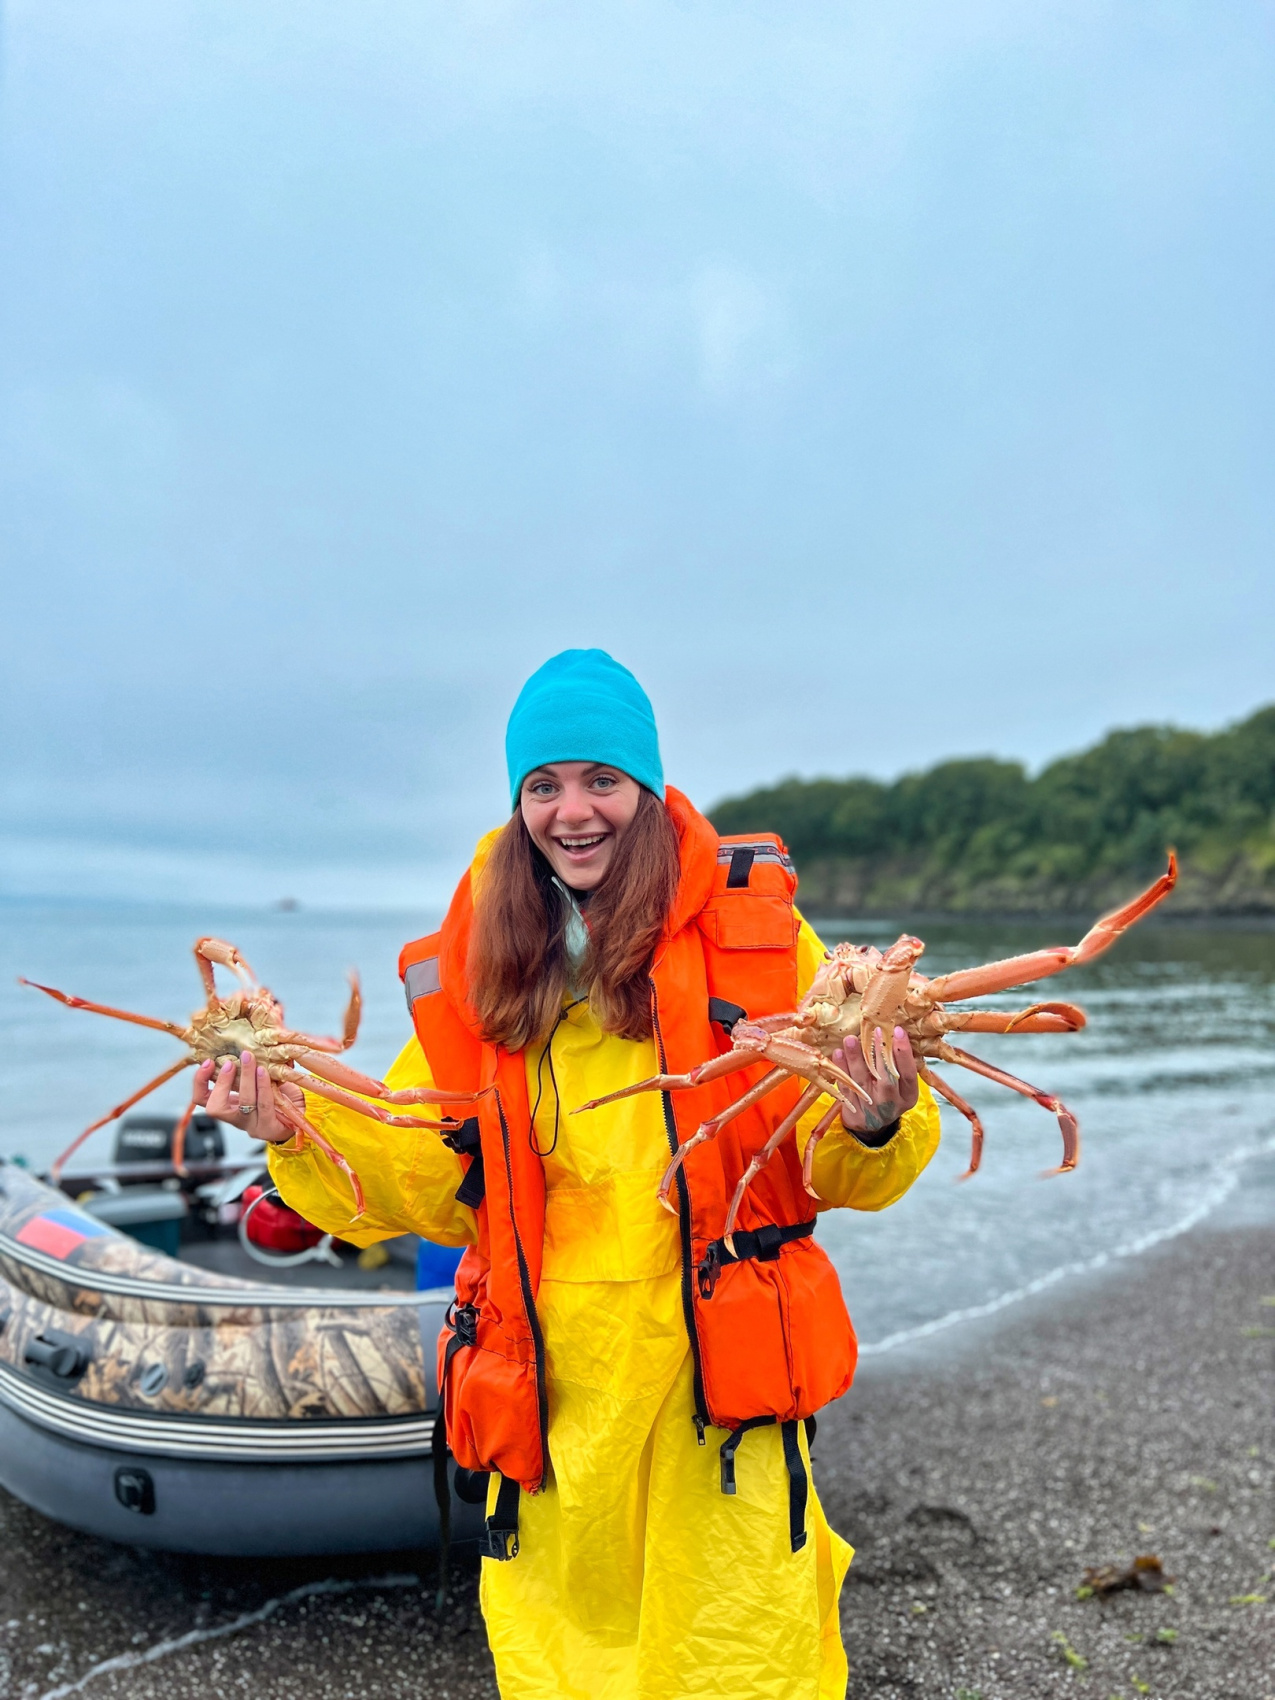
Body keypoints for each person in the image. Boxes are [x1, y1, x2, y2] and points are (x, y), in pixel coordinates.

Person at [194, 649, 940, 1700]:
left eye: (601, 778)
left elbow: (837, 1159)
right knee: (562, 1665)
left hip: (714, 1410)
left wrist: (877, 1117)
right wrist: (296, 1128)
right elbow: (418, 1171)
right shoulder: (476, 966)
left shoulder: (763, 945)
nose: (572, 809)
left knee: (741, 1656)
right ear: (517, 801)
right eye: (542, 784)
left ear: (645, 787)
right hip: (550, 1402)